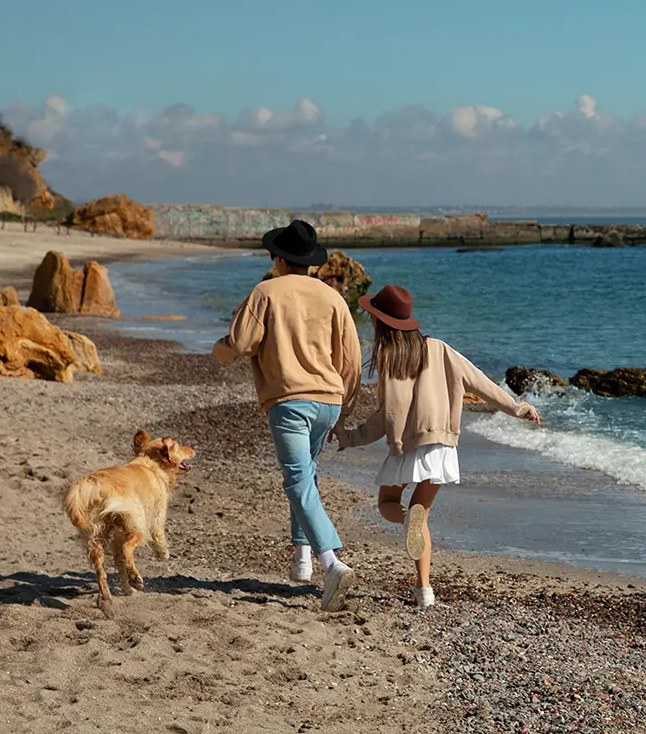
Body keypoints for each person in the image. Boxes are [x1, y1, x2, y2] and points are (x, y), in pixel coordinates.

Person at [333, 284, 541, 607]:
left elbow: (387, 414)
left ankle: (407, 530)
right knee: (421, 513)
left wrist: (351, 437)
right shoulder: (442, 349)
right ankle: (424, 590)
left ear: (380, 323)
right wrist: (517, 407)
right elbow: (479, 381)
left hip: (410, 445)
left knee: (389, 503)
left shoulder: (390, 358)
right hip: (442, 447)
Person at [212, 220, 362, 611]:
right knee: (307, 475)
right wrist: (345, 406)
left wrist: (219, 350)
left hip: (289, 400)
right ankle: (302, 559)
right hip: (329, 399)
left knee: (297, 479)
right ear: (310, 261)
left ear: (277, 258)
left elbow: (241, 343)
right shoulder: (332, 298)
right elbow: (351, 358)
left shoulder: (265, 292)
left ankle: (330, 562)